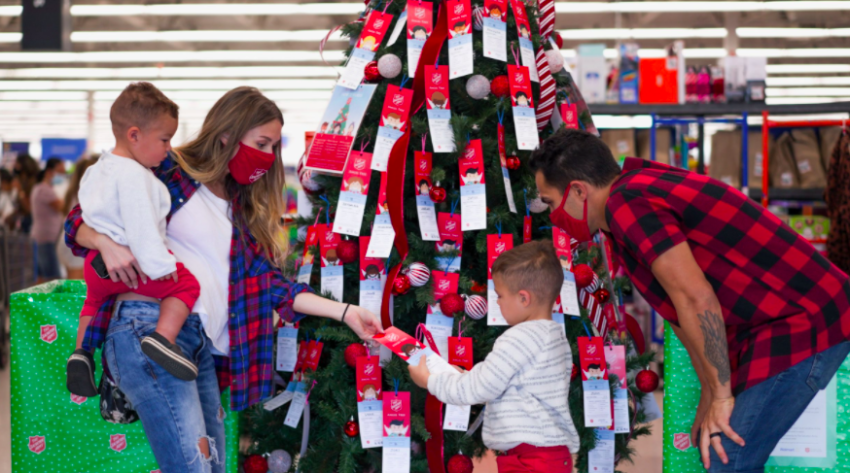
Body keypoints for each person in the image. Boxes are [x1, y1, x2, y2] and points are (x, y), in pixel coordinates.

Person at [64, 86, 383, 472]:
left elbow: (275, 287)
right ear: (227, 134)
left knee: (212, 466)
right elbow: (83, 215)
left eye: (273, 147)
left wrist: (346, 311)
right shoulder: (169, 170)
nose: (267, 156)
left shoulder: (241, 211)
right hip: (147, 324)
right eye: (261, 143)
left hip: (199, 348)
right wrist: (103, 242)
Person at [530, 128, 850, 473]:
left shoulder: (627, 204)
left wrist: (722, 395)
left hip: (803, 321)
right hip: (775, 324)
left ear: (579, 190)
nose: (551, 215)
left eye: (550, 202)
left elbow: (696, 298)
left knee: (729, 458)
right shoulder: (630, 195)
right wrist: (711, 393)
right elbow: (681, 314)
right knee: (717, 448)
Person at [67, 83, 204, 399]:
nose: (168, 148)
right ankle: (163, 339)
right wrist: (162, 265)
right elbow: (142, 228)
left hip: (96, 264)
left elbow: (83, 213)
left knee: (93, 301)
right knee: (186, 285)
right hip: (132, 263)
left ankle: (81, 353)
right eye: (164, 140)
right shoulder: (136, 176)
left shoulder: (97, 170)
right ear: (134, 135)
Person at [408, 241, 579, 472]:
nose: (496, 302)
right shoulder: (555, 336)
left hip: (529, 460)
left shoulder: (518, 338)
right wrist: (467, 376)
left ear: (524, 298)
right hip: (553, 456)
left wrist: (429, 380)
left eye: (499, 295)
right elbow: (512, 387)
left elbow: (479, 388)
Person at [57, 157, 97, 279]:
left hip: (67, 240)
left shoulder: (72, 193)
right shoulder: (88, 194)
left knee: (73, 282)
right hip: (78, 243)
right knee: (78, 285)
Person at [31, 157, 66, 283]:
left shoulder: (41, 188)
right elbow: (63, 207)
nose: (63, 175)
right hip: (46, 239)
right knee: (53, 278)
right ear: (49, 172)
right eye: (60, 171)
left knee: (42, 277)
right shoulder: (44, 190)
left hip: (43, 238)